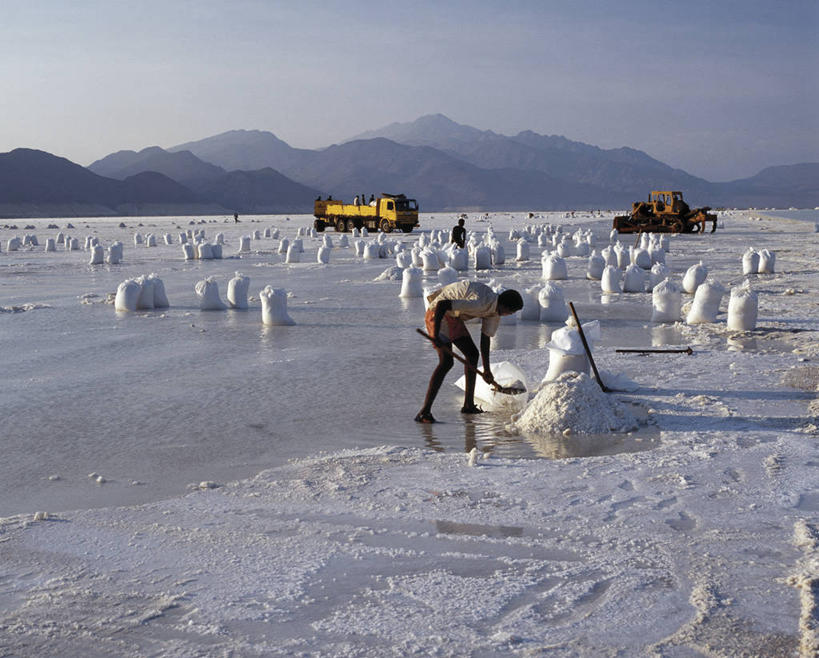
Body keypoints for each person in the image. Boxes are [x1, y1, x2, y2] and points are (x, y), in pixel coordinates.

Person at [416, 281, 523, 423]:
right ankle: (424, 412)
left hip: (453, 317)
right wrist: (435, 335)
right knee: (446, 362)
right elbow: (442, 304)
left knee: (472, 354)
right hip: (438, 313)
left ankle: (468, 405)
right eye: (511, 312)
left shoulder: (494, 313)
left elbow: (485, 339)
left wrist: (487, 371)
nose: (509, 315)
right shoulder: (481, 302)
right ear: (505, 307)